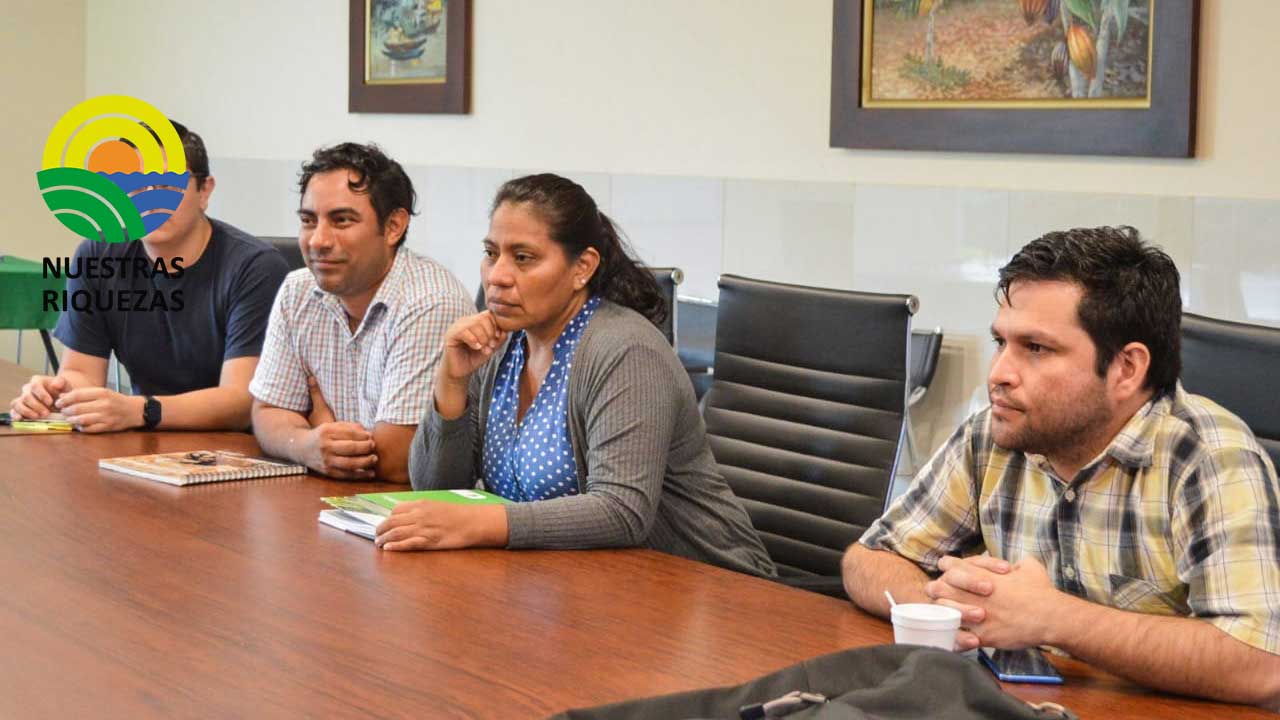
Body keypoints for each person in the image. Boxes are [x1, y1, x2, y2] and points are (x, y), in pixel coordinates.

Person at [842, 226, 1280, 708]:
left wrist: (1052, 618)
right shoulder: (995, 434)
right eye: (1000, 342)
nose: (998, 374)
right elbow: (868, 560)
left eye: (1036, 348)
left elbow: (1260, 663)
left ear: (1127, 368)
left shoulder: (1210, 459)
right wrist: (953, 610)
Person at [378, 173, 774, 578]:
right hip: (574, 582)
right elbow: (436, 490)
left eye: (523, 258)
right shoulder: (502, 345)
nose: (497, 275)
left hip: (708, 586)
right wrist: (451, 383)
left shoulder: (625, 350)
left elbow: (622, 511)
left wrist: (480, 523)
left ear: (582, 267)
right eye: (491, 253)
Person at [9, 121, 289, 432]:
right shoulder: (97, 255)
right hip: (144, 439)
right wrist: (56, 395)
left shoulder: (255, 267)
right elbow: (81, 372)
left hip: (236, 446)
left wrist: (141, 410)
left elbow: (241, 402)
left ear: (204, 190)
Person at [249, 142, 471, 484]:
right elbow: (266, 412)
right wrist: (308, 444)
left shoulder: (431, 302)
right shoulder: (298, 290)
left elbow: (398, 462)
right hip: (332, 500)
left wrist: (321, 428)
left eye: (341, 221)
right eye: (308, 221)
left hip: (413, 508)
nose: (318, 240)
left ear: (394, 226)